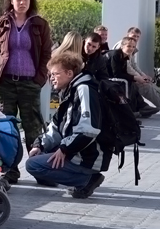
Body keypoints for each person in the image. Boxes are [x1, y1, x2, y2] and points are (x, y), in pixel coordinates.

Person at [0, 0, 52, 184]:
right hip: (4, 84)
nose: (22, 2)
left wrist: (39, 79)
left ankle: (40, 169)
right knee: (6, 128)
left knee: (33, 128)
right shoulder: (3, 23)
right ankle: (9, 170)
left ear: (31, 1)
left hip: (29, 84)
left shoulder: (40, 24)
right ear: (11, 0)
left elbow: (46, 54)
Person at [25, 52, 111, 198]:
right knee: (38, 157)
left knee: (33, 165)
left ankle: (87, 179)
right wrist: (39, 144)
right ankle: (80, 179)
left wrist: (64, 149)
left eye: (55, 74)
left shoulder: (84, 89)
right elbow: (56, 126)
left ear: (69, 73)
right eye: (50, 75)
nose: (51, 78)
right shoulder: (69, 91)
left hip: (88, 156)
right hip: (77, 150)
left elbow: (89, 129)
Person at [111, 34, 160, 117]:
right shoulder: (118, 52)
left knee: (151, 85)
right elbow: (123, 71)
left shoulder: (128, 51)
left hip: (128, 78)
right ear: (125, 40)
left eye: (137, 37)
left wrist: (143, 76)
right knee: (147, 87)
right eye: (133, 36)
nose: (131, 48)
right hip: (121, 81)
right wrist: (139, 78)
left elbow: (134, 66)